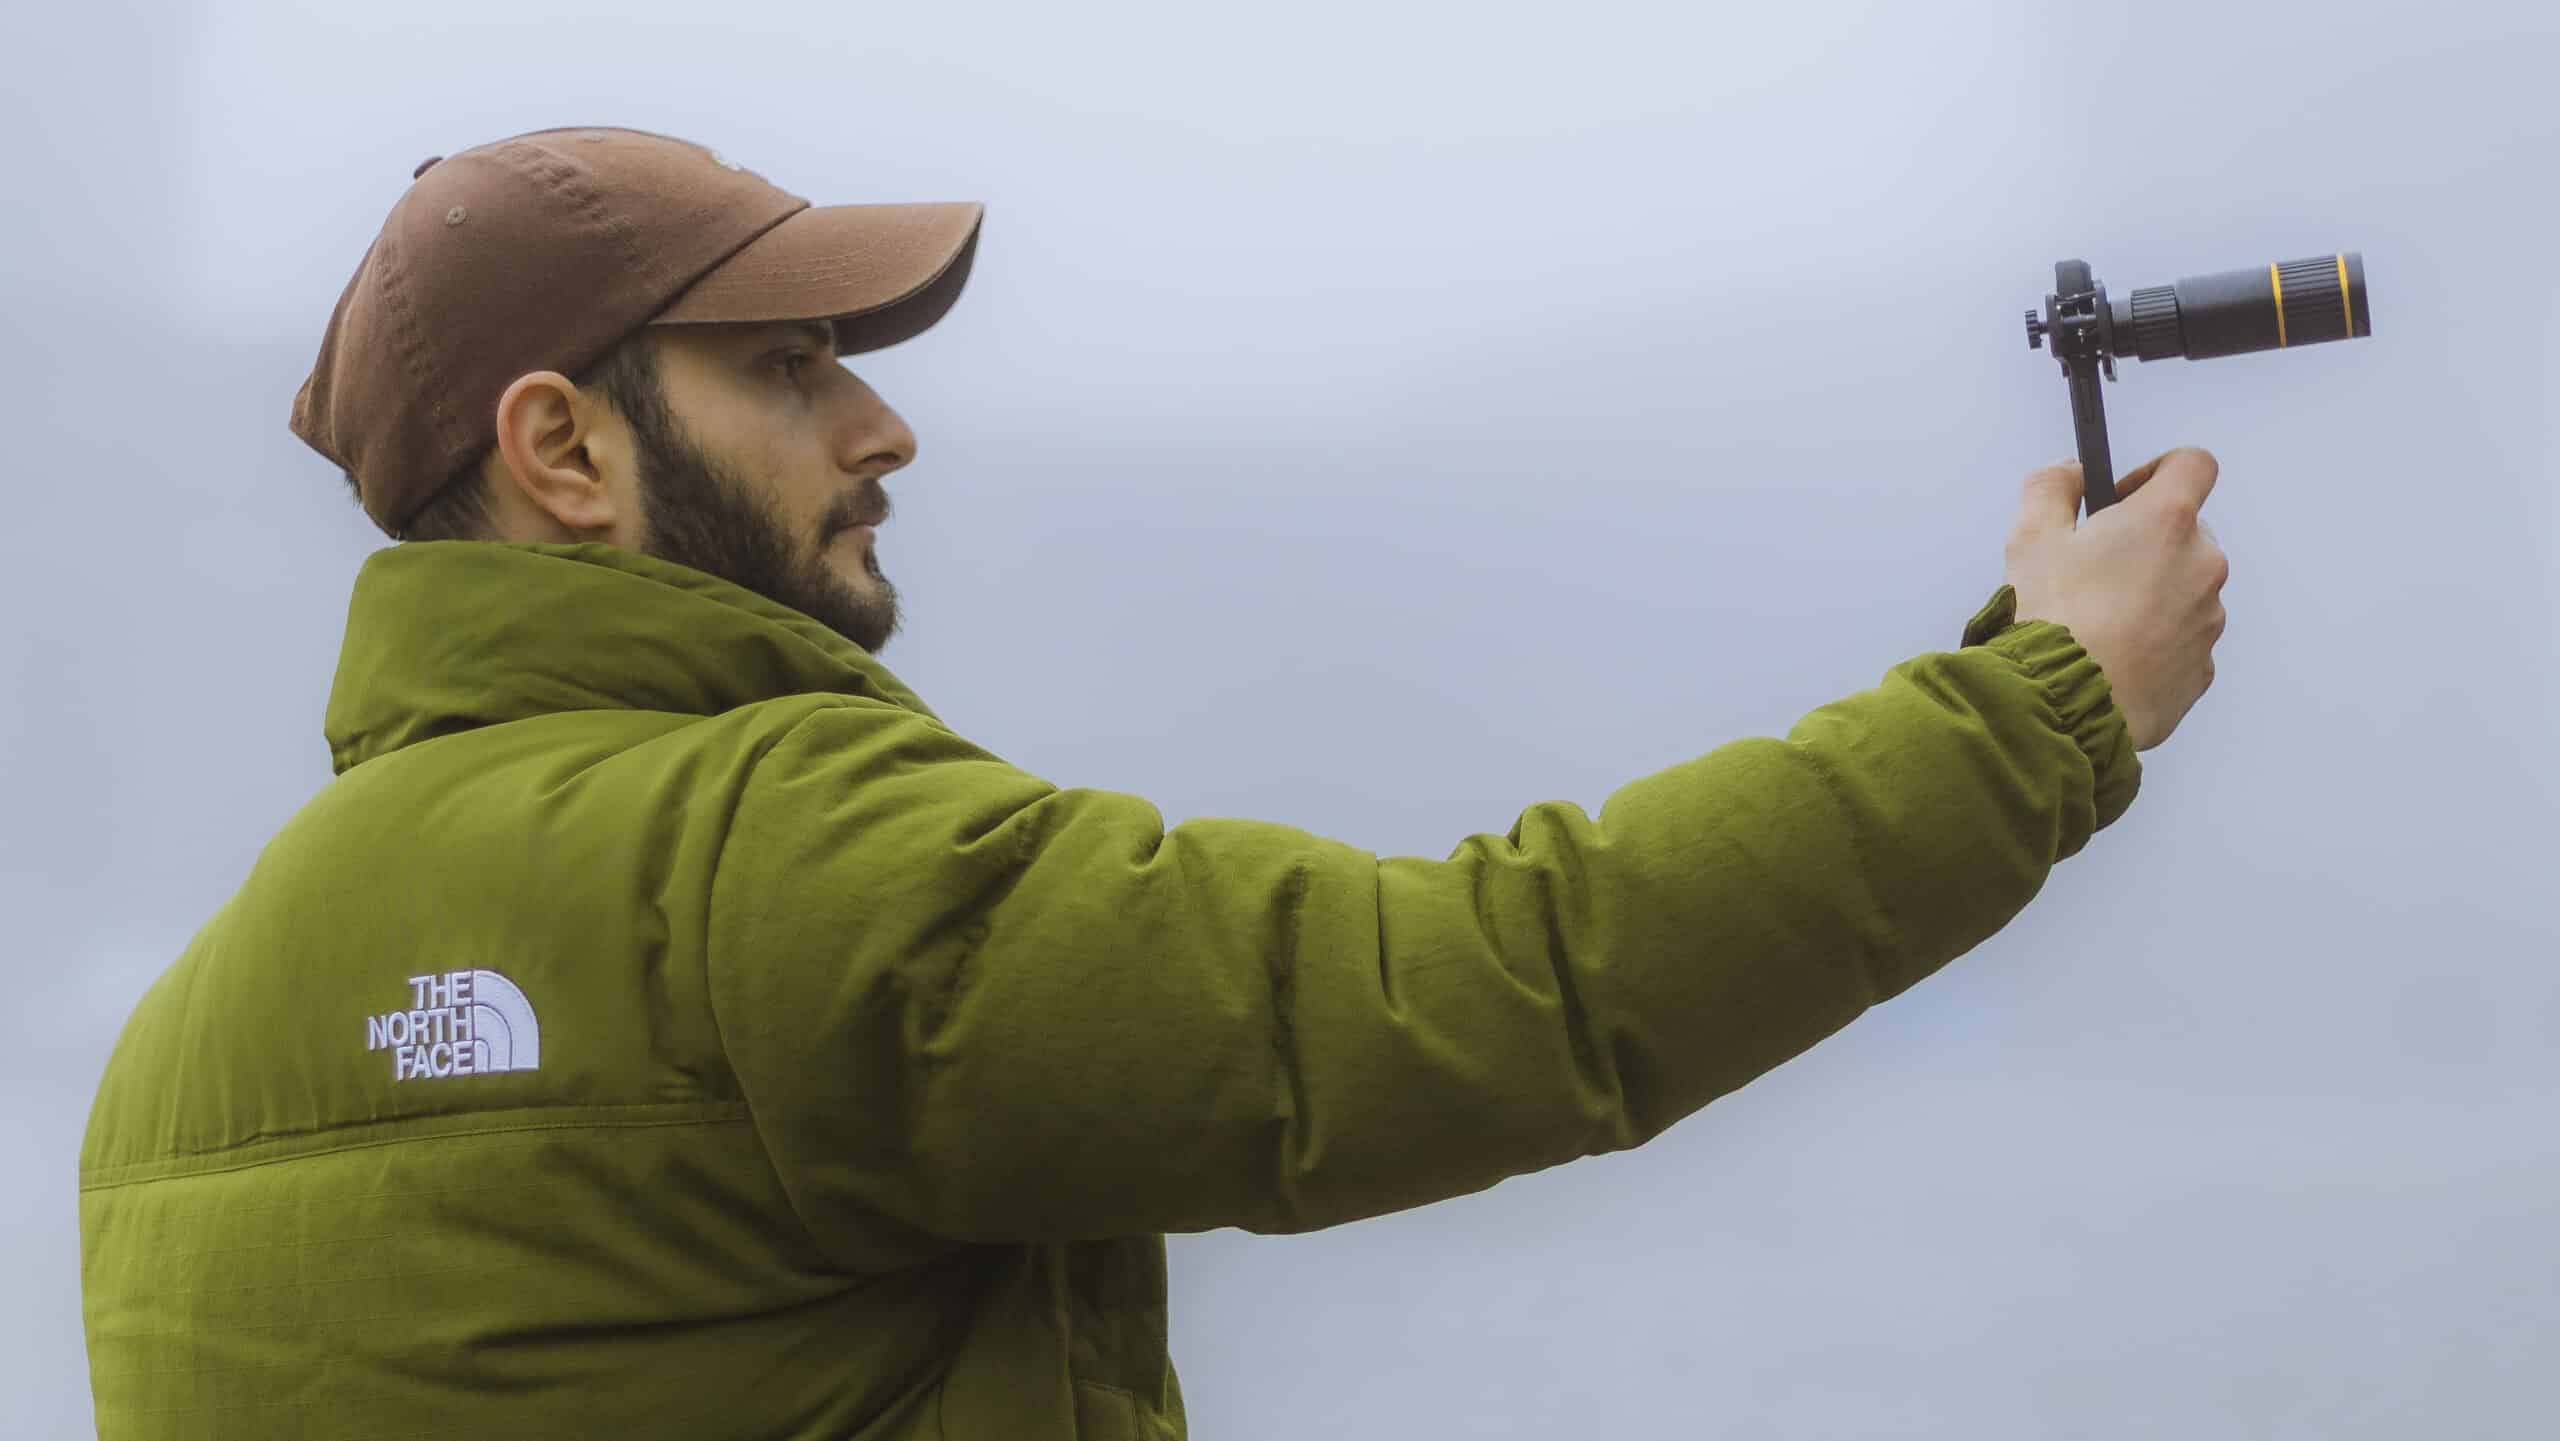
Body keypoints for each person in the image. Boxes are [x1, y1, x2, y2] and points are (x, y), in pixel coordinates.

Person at [76, 125, 2229, 1440]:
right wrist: (2039, 705)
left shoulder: (170, 1061)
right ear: (564, 449)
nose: (881, 430)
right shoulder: (770, 849)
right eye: (791, 368)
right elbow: (1495, 989)